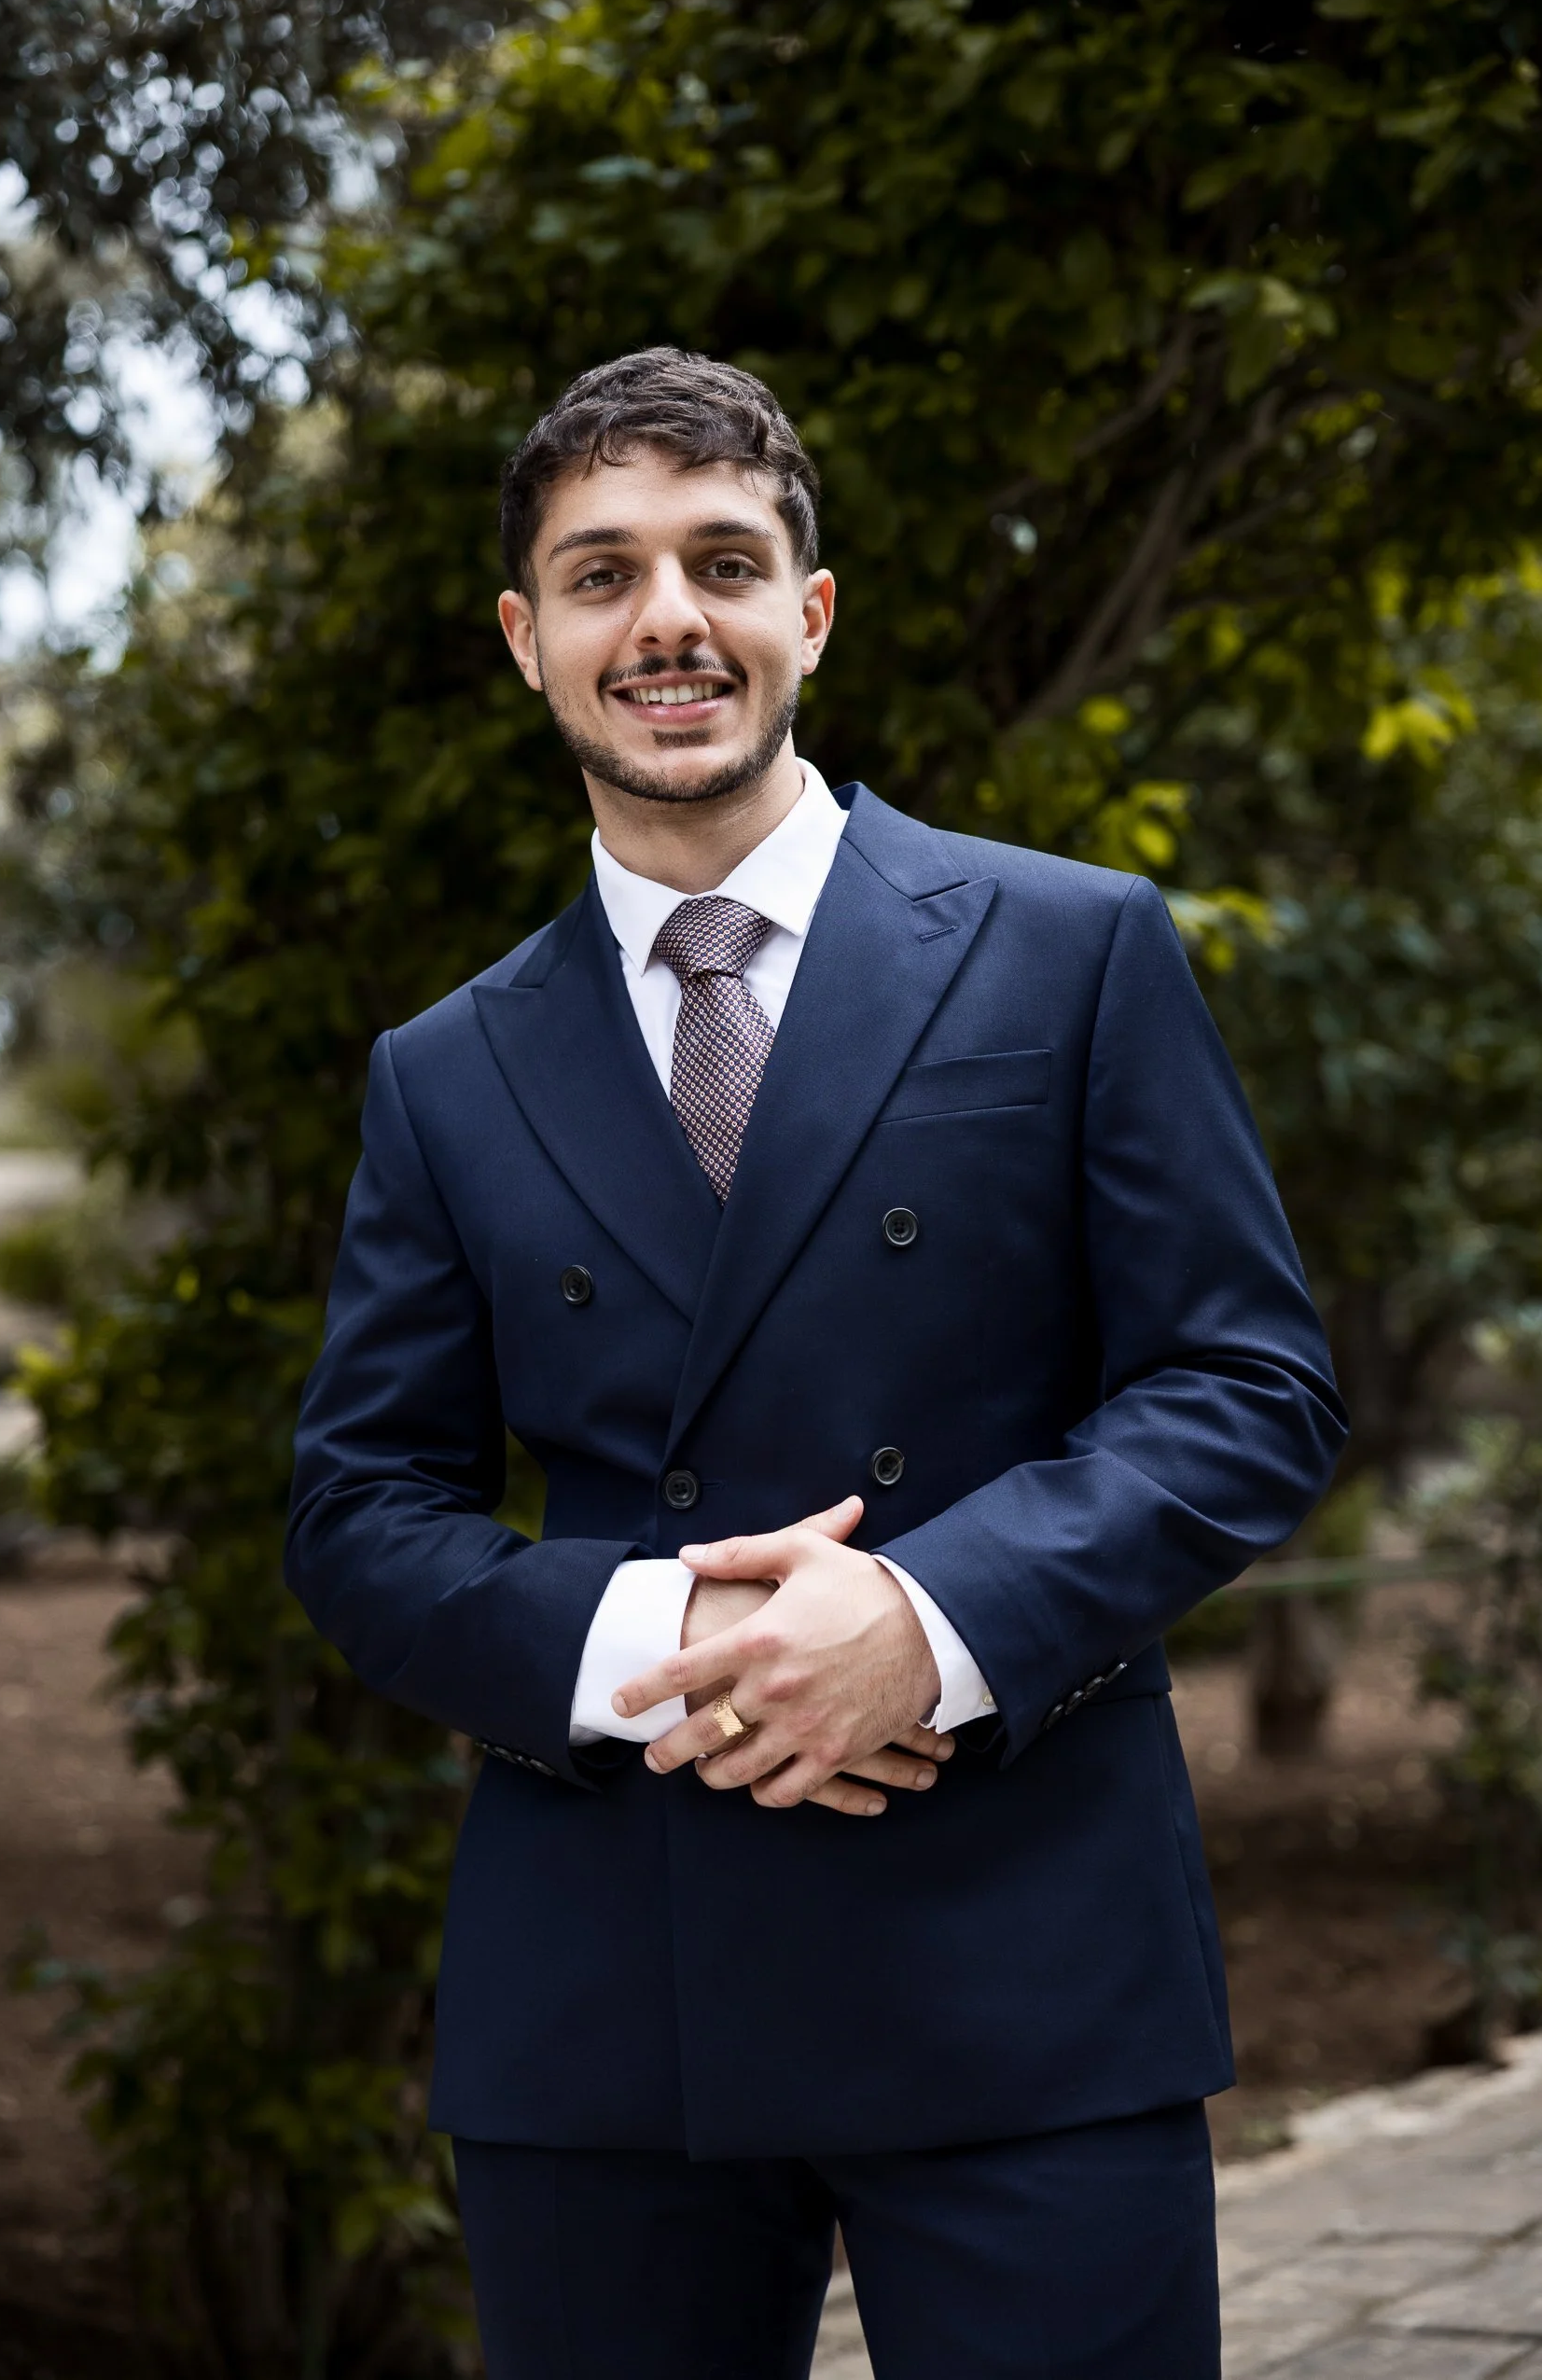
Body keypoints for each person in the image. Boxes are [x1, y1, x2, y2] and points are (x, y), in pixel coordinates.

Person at [286, 347, 1346, 2377]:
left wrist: (931, 1616)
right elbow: (359, 1513)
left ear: (811, 612)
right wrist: (662, 1644)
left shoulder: (1072, 948)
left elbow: (1249, 1383)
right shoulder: (442, 1069)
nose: (666, 619)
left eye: (722, 562)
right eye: (601, 576)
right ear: (527, 643)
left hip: (1024, 1950)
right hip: (610, 1997)